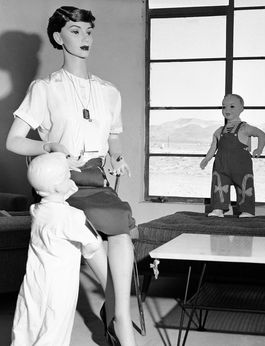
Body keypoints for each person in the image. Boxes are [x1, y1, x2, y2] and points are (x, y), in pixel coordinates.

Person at [6, 6, 136, 346]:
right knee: (111, 256)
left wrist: (117, 156)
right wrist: (49, 145)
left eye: (88, 31)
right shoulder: (45, 88)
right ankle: (120, 316)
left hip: (96, 177)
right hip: (61, 181)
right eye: (75, 31)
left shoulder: (109, 91)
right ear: (57, 37)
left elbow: (114, 138)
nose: (85, 38)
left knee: (120, 222)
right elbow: (14, 141)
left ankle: (120, 317)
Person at [11, 153, 102, 346]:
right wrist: (87, 251)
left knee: (28, 321)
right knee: (55, 327)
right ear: (58, 185)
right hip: (60, 284)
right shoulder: (73, 216)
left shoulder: (36, 210)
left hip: (34, 279)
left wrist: (62, 184)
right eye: (67, 176)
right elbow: (93, 242)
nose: (71, 179)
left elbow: (54, 200)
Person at [200, 93, 265, 218]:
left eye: (231, 106)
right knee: (218, 186)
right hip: (221, 166)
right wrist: (207, 159)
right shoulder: (219, 130)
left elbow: (261, 134)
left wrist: (259, 149)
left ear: (241, 108)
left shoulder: (245, 128)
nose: (227, 110)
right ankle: (218, 208)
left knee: (244, 186)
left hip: (241, 166)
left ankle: (246, 210)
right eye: (223, 107)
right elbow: (213, 147)